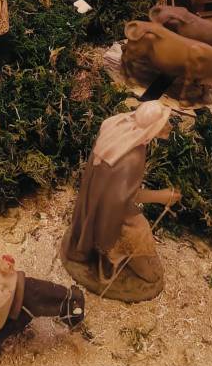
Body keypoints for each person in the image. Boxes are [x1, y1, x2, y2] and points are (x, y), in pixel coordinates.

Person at [60, 101, 181, 302]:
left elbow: (118, 191)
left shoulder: (118, 128)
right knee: (139, 230)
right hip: (110, 210)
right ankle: (110, 262)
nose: (169, 127)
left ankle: (105, 252)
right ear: (152, 128)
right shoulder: (132, 157)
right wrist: (162, 196)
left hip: (98, 198)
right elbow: (127, 198)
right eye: (164, 123)